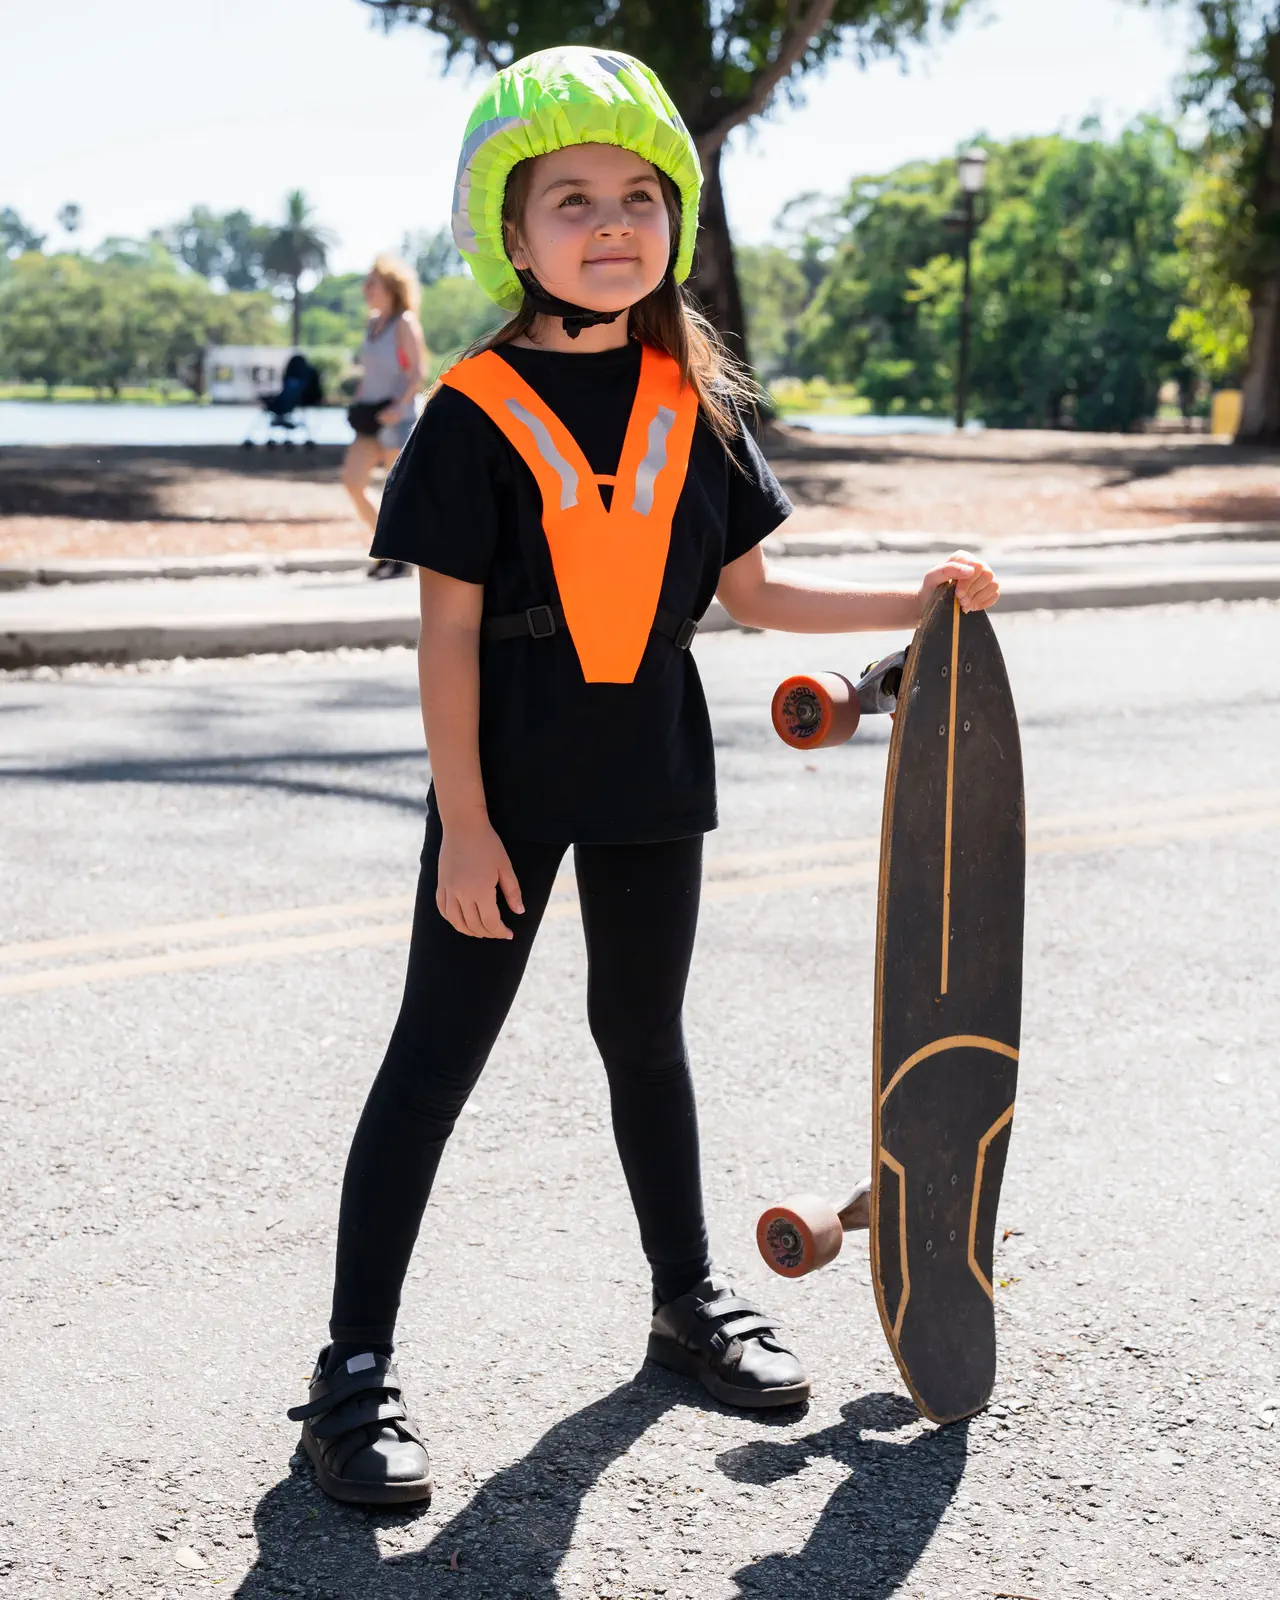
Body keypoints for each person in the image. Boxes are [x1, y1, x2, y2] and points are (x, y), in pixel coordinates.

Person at [287, 46, 1001, 1508]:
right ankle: (348, 1376)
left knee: (645, 1039)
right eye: (571, 200)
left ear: (673, 219)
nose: (610, 223)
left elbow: (755, 596)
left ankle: (685, 1303)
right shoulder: (475, 408)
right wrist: (465, 826)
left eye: (637, 197)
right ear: (511, 229)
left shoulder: (697, 402)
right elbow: (446, 635)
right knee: (432, 1067)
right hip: (509, 775)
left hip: (650, 759)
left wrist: (915, 605)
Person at [341, 254, 428, 579]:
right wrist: (359, 401)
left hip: (398, 417)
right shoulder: (371, 322)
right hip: (369, 418)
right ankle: (389, 548)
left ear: (390, 287)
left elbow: (417, 372)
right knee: (353, 482)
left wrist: (397, 406)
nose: (366, 288)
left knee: (396, 494)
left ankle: (397, 556)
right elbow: (368, 372)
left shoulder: (404, 322)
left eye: (372, 283)